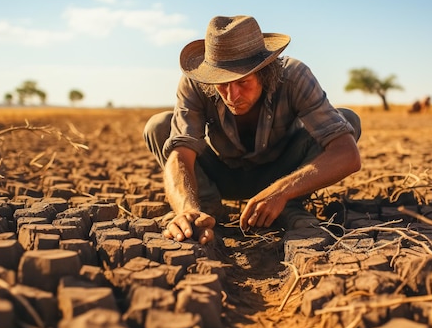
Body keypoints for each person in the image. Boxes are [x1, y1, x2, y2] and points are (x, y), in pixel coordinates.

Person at [144, 15, 361, 245]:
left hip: (283, 171)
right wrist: (187, 209)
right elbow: (181, 155)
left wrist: (282, 191)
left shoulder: (294, 76)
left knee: (347, 119)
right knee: (159, 126)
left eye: (243, 82)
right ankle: (205, 210)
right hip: (222, 177)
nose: (232, 96)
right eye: (223, 84)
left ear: (266, 72)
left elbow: (347, 154)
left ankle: (288, 207)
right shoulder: (196, 82)